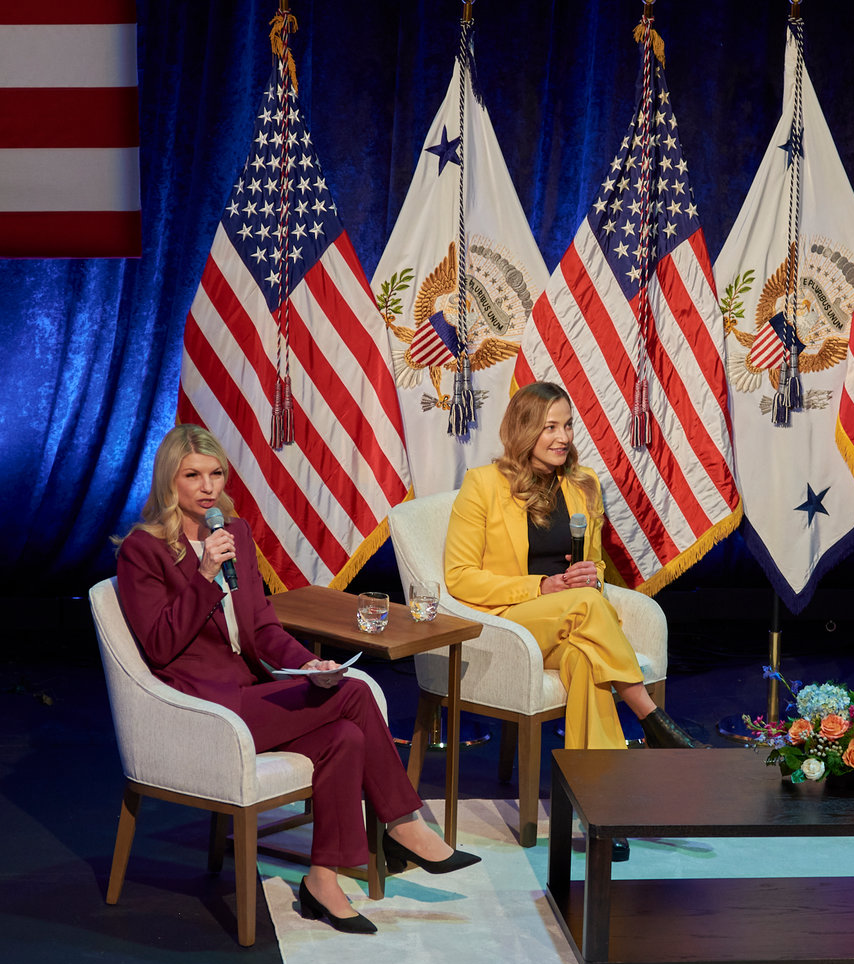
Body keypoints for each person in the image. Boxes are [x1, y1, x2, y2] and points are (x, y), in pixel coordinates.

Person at [115, 424, 479, 935]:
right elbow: (158, 644)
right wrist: (202, 577)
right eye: (192, 475)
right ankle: (404, 823)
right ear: (168, 482)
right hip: (204, 708)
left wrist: (307, 665)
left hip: (250, 691)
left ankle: (323, 880)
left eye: (216, 473)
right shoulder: (143, 550)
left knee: (345, 735)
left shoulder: (235, 534)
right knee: (353, 694)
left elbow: (262, 628)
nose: (208, 486)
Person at [444, 380, 703, 752]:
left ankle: (595, 794)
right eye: (550, 427)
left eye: (567, 426)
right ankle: (649, 714)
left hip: (568, 623)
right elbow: (459, 578)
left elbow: (594, 564)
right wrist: (540, 586)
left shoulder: (583, 485)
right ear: (524, 429)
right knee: (588, 605)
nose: (562, 437)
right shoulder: (483, 485)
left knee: (585, 660)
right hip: (507, 621)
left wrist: (590, 578)